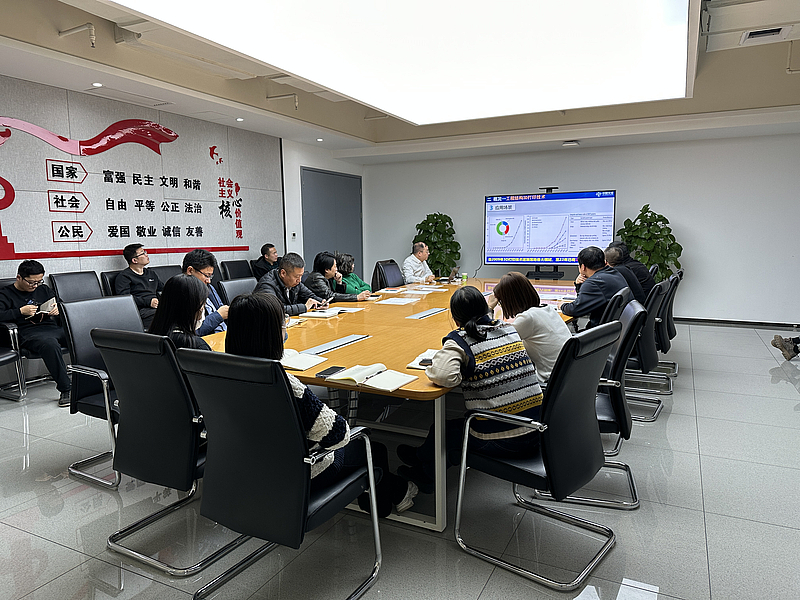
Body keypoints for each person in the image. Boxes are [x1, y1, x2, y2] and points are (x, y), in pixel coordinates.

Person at [225, 292, 418, 516]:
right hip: (301, 473)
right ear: (270, 334)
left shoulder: (220, 374)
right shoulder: (285, 384)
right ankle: (385, 504)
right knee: (373, 448)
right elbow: (338, 435)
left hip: (248, 469)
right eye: (283, 323)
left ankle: (399, 491)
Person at [396, 286, 543, 493]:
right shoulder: (509, 329)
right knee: (452, 428)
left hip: (505, 440)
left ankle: (426, 474)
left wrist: (462, 371)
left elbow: (443, 376)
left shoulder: (461, 341)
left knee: (446, 432)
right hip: (536, 430)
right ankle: (422, 459)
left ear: (456, 319)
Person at [0, 260, 70, 406]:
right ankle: (66, 390)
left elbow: (61, 303)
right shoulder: (5, 294)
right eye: (31, 282)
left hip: (51, 327)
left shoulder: (43, 289)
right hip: (27, 333)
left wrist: (58, 307)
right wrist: (19, 312)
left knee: (82, 337)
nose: (35, 286)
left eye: (39, 281)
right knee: (50, 344)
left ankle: (96, 379)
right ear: (19, 277)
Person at [491, 272, 572, 383]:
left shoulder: (528, 318)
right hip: (568, 376)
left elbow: (493, 340)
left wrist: (489, 308)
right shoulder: (547, 309)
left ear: (510, 300)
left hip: (550, 381)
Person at [559, 246, 628, 329]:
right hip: (615, 329)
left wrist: (562, 305)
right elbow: (584, 302)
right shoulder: (614, 273)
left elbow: (574, 310)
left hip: (601, 332)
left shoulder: (594, 283)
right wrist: (579, 285)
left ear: (583, 267)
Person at [148, 274, 211, 350]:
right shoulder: (197, 345)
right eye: (203, 304)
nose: (203, 309)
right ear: (192, 308)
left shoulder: (149, 339)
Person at [253, 252, 327, 316]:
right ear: (283, 273)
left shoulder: (295, 283)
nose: (299, 280)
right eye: (297, 276)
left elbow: (309, 296)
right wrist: (304, 307)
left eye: (301, 276)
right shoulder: (266, 285)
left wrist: (321, 302)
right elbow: (275, 309)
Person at [115, 243, 163, 329]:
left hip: (156, 308)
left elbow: (163, 289)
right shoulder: (124, 277)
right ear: (134, 260)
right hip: (140, 311)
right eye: (143, 253)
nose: (146, 255)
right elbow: (125, 299)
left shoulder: (151, 273)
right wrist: (148, 302)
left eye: (145, 252)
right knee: (166, 315)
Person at [182, 249, 228, 336]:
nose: (209, 281)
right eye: (206, 275)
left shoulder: (208, 287)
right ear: (190, 271)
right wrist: (218, 316)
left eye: (210, 276)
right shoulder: (181, 293)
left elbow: (220, 307)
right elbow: (192, 333)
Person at [305, 252, 370, 303]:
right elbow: (330, 296)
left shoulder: (327, 277)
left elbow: (338, 295)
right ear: (327, 270)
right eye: (335, 266)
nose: (337, 269)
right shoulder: (316, 279)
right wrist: (356, 297)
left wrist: (339, 283)